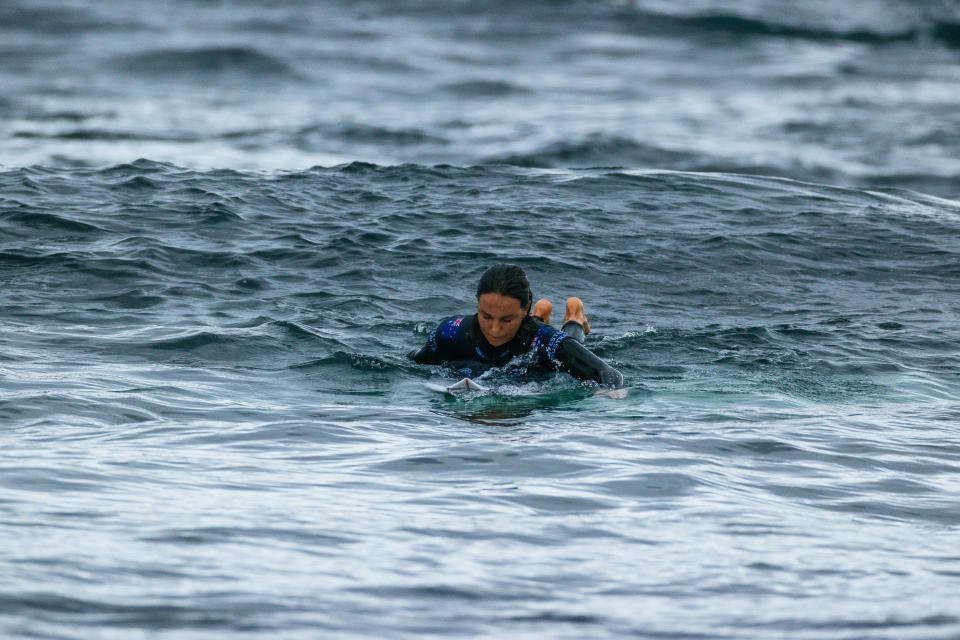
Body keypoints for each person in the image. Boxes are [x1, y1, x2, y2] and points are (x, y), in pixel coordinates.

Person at [410, 263, 625, 390]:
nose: (494, 330)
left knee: (571, 341)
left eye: (506, 320)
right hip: (529, 326)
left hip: (540, 334)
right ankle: (540, 314)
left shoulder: (547, 341)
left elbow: (609, 375)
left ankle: (574, 311)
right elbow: (415, 363)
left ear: (525, 308)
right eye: (486, 316)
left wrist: (605, 402)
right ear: (477, 304)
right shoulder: (450, 332)